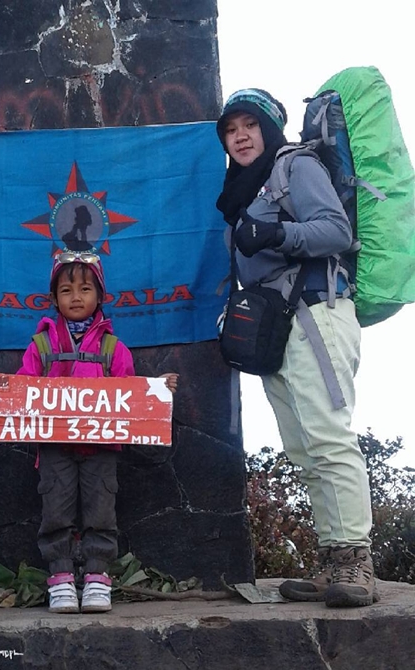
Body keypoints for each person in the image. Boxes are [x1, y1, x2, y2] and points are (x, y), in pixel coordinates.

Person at [215, 89, 376, 608]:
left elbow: (335, 230)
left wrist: (276, 233)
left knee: (328, 438)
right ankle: (333, 562)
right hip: (278, 327)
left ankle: (357, 561)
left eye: (249, 126)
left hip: (315, 312)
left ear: (269, 128)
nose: (240, 136)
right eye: (231, 130)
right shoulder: (243, 190)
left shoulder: (294, 165)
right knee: (304, 448)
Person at [0, 251, 178, 614]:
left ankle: (98, 577)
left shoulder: (114, 347)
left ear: (100, 296)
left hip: (101, 447)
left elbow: (128, 391)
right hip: (54, 448)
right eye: (66, 290)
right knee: (56, 509)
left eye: (85, 289)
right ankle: (61, 578)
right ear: (54, 299)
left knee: (102, 510)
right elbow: (23, 387)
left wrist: (158, 390)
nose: (76, 297)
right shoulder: (42, 345)